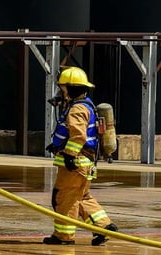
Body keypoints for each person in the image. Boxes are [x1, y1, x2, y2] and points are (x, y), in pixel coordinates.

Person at [43, 67, 118, 246]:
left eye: (63, 88)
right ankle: (103, 226)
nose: (61, 91)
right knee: (82, 197)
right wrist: (56, 145)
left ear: (70, 88)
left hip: (75, 164)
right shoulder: (86, 105)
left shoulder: (77, 109)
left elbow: (78, 136)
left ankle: (63, 236)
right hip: (86, 163)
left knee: (65, 198)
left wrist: (69, 155)